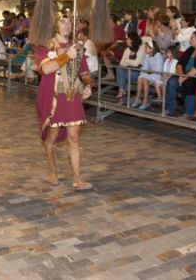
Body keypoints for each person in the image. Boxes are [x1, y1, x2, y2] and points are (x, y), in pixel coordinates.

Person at [31, 15, 93, 190]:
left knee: (74, 138)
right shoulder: (44, 46)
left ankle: (77, 178)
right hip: (53, 99)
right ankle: (51, 169)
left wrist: (88, 85)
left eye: (70, 22)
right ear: (55, 25)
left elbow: (84, 72)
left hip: (72, 96)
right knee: (51, 136)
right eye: (63, 21)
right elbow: (46, 69)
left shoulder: (77, 46)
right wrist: (67, 55)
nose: (68, 25)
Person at [165, 31, 196, 118]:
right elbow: (180, 63)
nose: (190, 40)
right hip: (184, 74)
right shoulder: (190, 49)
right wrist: (181, 75)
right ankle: (169, 108)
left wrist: (184, 78)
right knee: (171, 81)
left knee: (188, 83)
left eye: (192, 38)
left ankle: (189, 112)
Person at [131, 38, 164, 110]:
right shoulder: (147, 55)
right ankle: (137, 99)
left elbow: (158, 71)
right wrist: (142, 74)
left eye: (146, 48)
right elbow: (144, 67)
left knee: (145, 79)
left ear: (152, 48)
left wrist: (153, 79)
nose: (144, 49)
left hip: (158, 75)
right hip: (151, 74)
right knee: (140, 78)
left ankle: (145, 101)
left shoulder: (158, 55)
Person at [115, 32, 145, 102]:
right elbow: (121, 63)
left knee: (121, 76)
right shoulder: (127, 49)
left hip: (138, 73)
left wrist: (126, 60)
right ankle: (122, 91)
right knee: (119, 68)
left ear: (132, 40)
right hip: (127, 72)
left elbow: (136, 63)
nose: (126, 41)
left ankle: (122, 94)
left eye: (127, 39)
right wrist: (130, 62)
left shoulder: (141, 48)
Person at [100, 14, 126, 81]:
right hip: (113, 50)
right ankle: (107, 73)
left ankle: (110, 73)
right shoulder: (110, 29)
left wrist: (108, 49)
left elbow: (118, 43)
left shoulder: (118, 29)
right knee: (100, 52)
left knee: (104, 53)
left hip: (119, 51)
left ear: (110, 20)